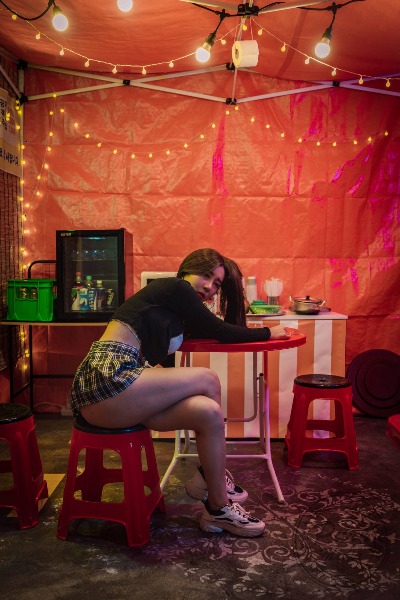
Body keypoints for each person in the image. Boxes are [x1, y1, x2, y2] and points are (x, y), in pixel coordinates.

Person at [70, 248, 290, 537]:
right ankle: (210, 482)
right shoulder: (175, 287)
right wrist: (267, 333)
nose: (209, 287)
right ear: (187, 270)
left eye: (217, 284)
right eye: (206, 276)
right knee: (208, 379)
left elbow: (187, 351)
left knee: (207, 412)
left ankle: (216, 509)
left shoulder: (174, 316)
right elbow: (220, 330)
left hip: (125, 396)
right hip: (106, 378)